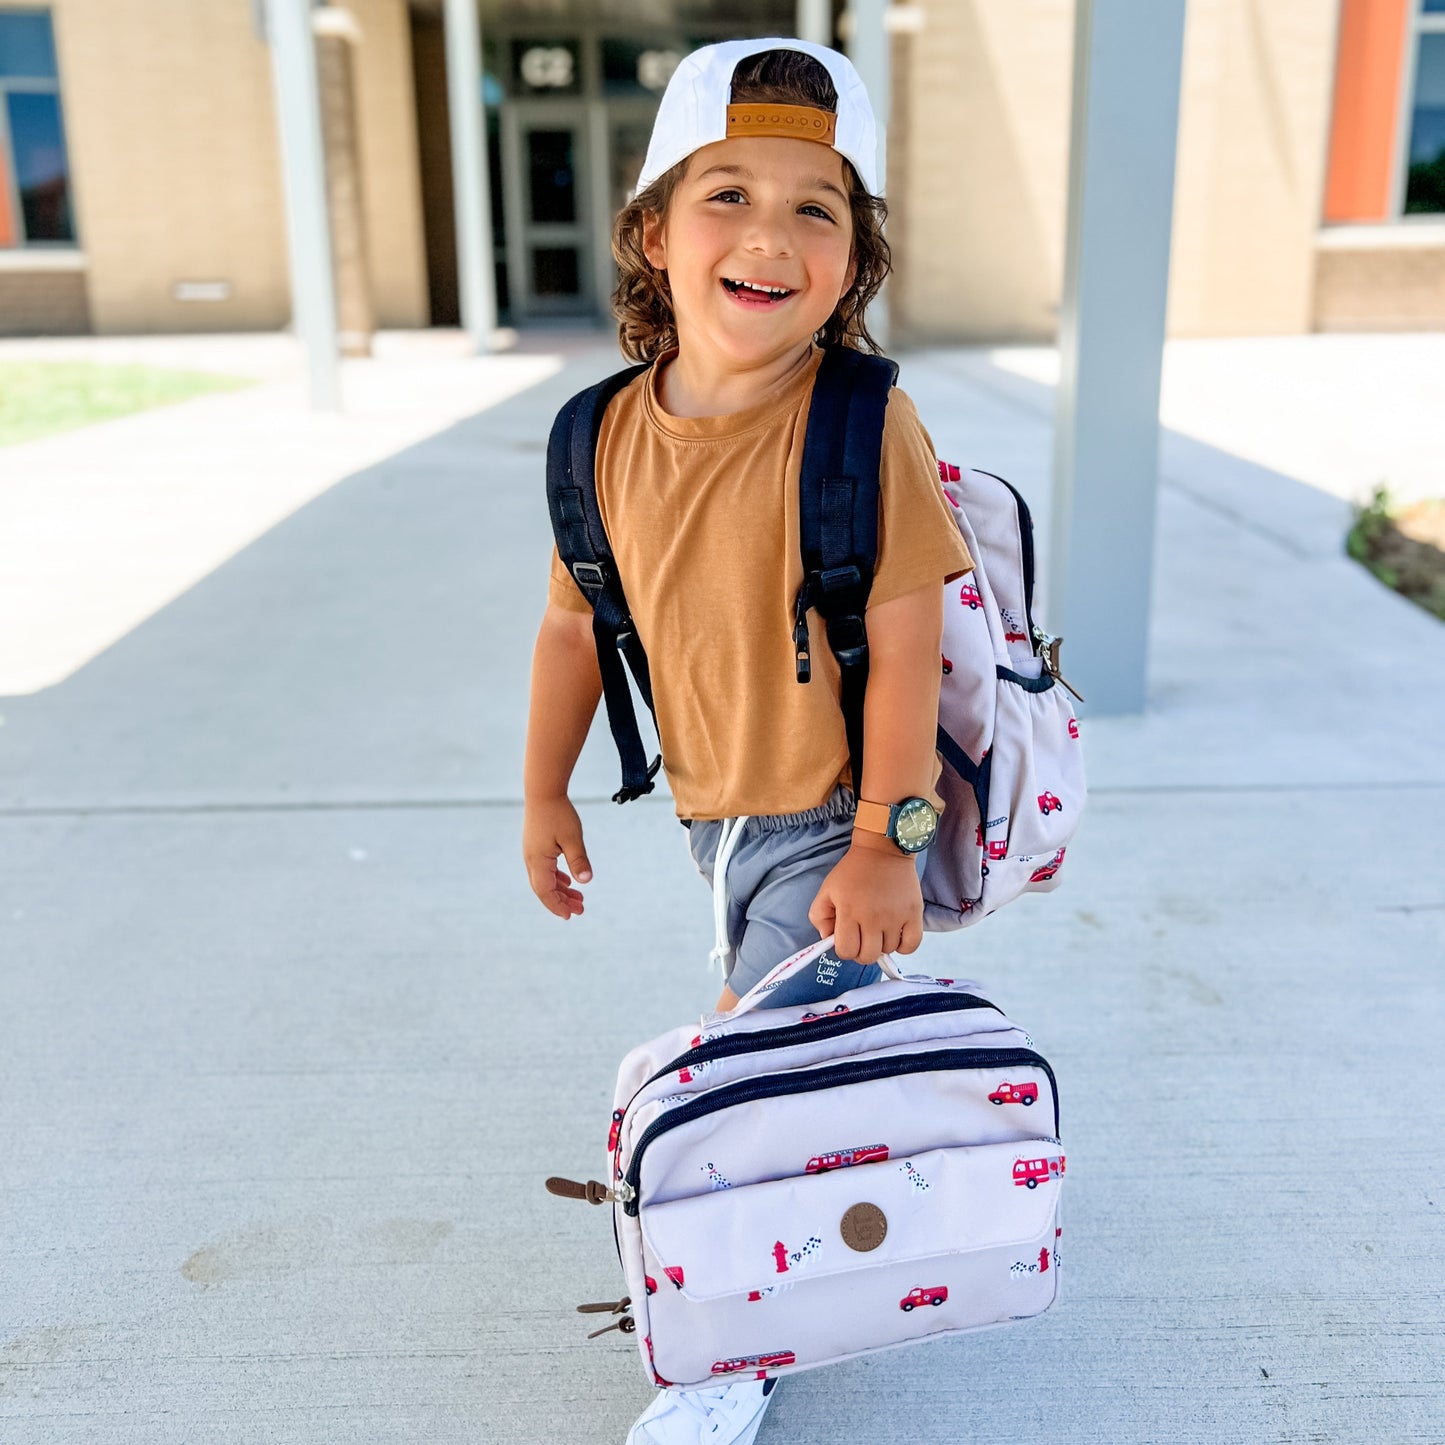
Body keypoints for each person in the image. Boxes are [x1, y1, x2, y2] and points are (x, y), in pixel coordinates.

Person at [521, 37, 973, 1445]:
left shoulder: (860, 424)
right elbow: (570, 629)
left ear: (853, 263)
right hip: (715, 819)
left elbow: (909, 644)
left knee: (744, 1074)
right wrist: (543, 791)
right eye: (727, 195)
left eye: (814, 208)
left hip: (837, 814)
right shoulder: (599, 436)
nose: (769, 235)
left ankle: (734, 1339)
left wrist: (887, 843)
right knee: (792, 1055)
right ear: (655, 234)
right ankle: (875, 1199)